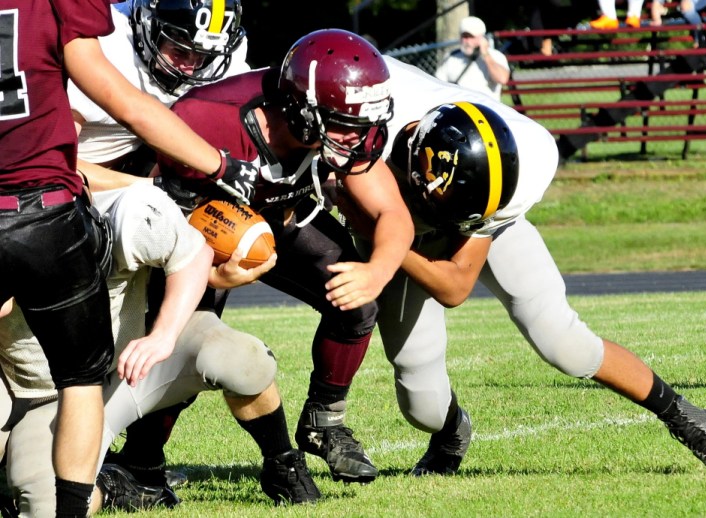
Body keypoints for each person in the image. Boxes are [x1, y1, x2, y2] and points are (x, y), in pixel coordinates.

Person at [334, 58, 706, 478]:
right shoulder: (358, 110)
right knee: (422, 402)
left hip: (478, 219)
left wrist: (391, 243)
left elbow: (455, 287)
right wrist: (380, 228)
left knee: (563, 340)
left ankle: (682, 414)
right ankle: (452, 429)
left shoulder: (527, 155)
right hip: (391, 210)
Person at [0, 1, 254, 515]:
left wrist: (162, 335)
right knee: (80, 382)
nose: (188, 62)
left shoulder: (146, 210)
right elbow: (124, 103)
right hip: (53, 202)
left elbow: (197, 250)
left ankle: (152, 462)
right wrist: (220, 166)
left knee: (234, 358)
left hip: (124, 329)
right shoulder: (137, 196)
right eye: (178, 47)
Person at [145, 28, 414, 485]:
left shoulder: (336, 128)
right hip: (194, 232)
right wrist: (212, 276)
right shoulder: (211, 120)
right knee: (187, 344)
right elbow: (156, 216)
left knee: (357, 300)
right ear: (300, 111)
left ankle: (324, 423)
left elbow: (393, 213)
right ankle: (141, 462)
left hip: (277, 218)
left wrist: (378, 271)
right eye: (345, 125)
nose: (357, 138)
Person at [0, 181, 320, 515]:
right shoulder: (13, 227)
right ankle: (110, 486)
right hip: (25, 384)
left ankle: (283, 462)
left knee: (242, 360)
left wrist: (162, 336)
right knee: (43, 502)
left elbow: (195, 255)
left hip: (115, 375)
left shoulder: (132, 214)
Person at [69, 0, 251, 176]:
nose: (190, 68)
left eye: (204, 56)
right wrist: (144, 187)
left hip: (137, 167)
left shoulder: (219, 56)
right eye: (179, 52)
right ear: (147, 24)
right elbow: (52, 165)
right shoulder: (107, 44)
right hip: (75, 175)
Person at [434, 16, 510, 99]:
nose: (467, 41)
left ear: (482, 38)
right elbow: (438, 84)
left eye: (471, 37)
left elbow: (502, 79)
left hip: (484, 109)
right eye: (464, 36)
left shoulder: (496, 56)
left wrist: (485, 54)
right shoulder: (451, 57)